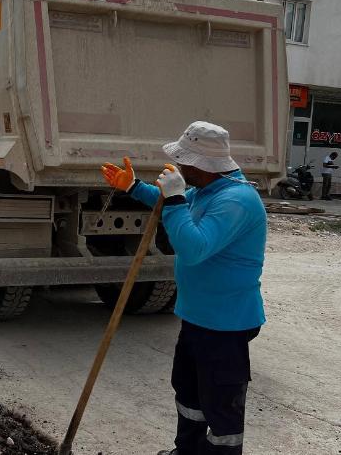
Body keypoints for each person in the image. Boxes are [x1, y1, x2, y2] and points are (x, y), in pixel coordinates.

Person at [101, 121, 265, 455]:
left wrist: (175, 199)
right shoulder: (207, 190)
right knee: (189, 393)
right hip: (197, 318)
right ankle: (187, 451)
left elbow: (193, 248)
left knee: (220, 405)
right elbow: (169, 203)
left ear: (205, 165)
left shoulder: (237, 201)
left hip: (225, 324)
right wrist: (133, 186)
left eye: (186, 162)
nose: (181, 168)